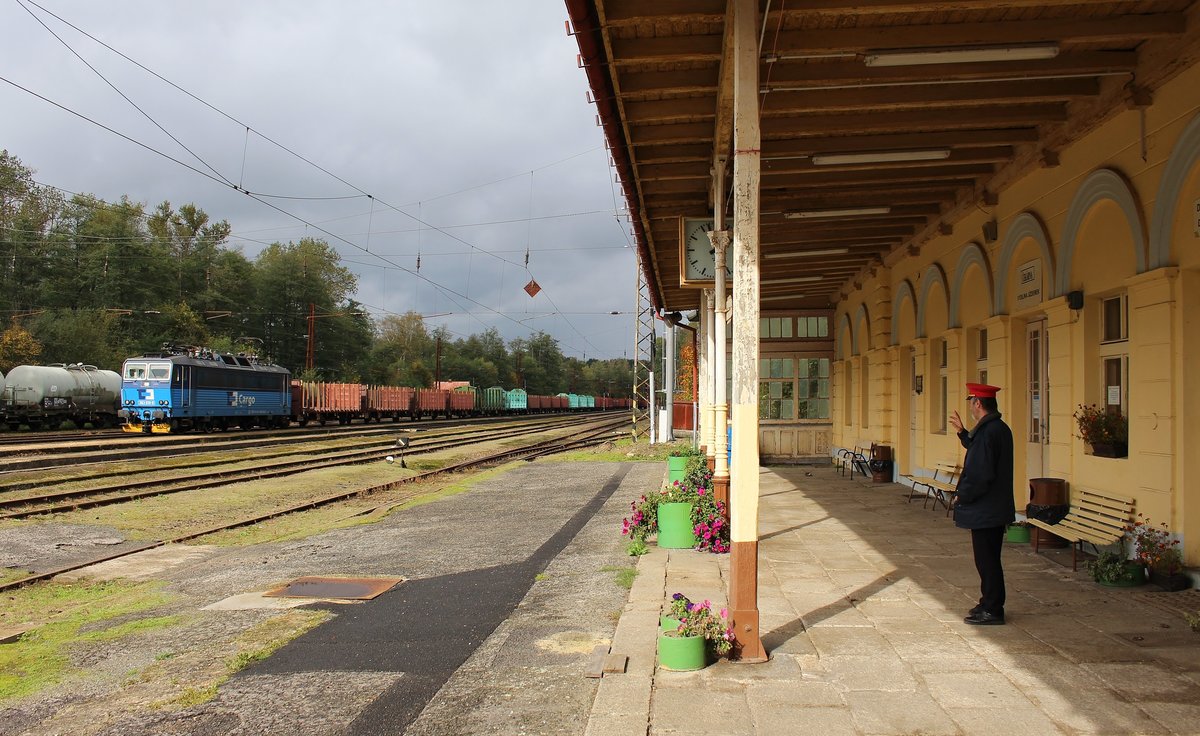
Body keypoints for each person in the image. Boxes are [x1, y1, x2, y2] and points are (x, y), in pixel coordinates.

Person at [949, 382, 1015, 626]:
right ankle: (988, 602)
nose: (970, 407)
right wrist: (963, 433)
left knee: (987, 560)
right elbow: (980, 452)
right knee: (987, 559)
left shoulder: (988, 432)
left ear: (978, 403)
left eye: (971, 402)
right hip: (993, 508)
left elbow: (980, 472)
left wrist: (962, 495)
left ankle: (993, 608)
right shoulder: (997, 429)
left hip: (986, 508)